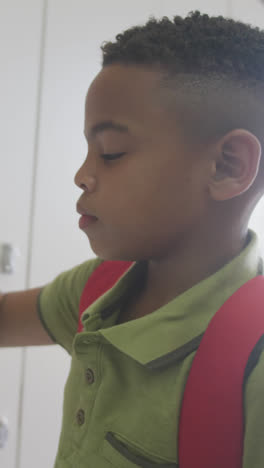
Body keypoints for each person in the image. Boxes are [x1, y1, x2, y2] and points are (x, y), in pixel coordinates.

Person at [1, 10, 264, 467]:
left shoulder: (252, 363)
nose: (82, 175)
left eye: (111, 153)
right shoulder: (97, 289)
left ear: (227, 166)